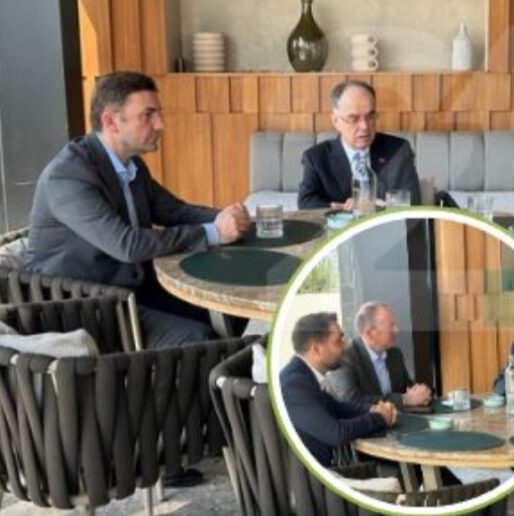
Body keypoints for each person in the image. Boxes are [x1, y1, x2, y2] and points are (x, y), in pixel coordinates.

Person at [25, 71, 251, 348]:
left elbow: (173, 211)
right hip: (80, 305)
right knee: (196, 337)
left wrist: (225, 217)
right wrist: (212, 232)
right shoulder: (68, 176)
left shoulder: (131, 164)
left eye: (159, 114)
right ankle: (199, 371)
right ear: (111, 122)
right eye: (148, 115)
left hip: (129, 287)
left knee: (232, 305)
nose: (160, 124)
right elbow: (127, 245)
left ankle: (223, 368)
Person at [279, 312, 397, 467]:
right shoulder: (294, 384)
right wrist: (380, 417)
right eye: (338, 341)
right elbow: (336, 434)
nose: (346, 346)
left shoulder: (303, 375)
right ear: (317, 349)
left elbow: (338, 408)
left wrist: (373, 409)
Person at [297, 80, 421, 210]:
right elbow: (306, 203)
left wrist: (379, 208)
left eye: (370, 116)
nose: (365, 126)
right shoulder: (317, 158)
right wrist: (343, 208)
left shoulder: (398, 150)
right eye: (353, 119)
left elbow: (413, 203)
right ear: (336, 121)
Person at [327, 302, 432, 409]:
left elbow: (405, 387)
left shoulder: (394, 354)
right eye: (391, 326)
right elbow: (352, 401)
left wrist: (420, 391)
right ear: (370, 334)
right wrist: (404, 400)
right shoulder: (344, 358)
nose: (397, 330)